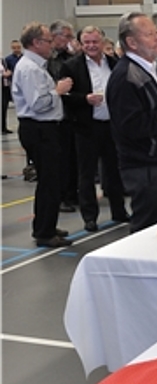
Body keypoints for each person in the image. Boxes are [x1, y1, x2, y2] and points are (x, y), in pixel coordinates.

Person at [107, 11, 157, 233]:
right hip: (144, 166)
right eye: (150, 34)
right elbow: (131, 126)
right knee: (147, 228)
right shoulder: (126, 76)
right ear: (131, 42)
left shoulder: (147, 69)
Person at [60, 26, 130, 233]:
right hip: (86, 128)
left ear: (102, 42)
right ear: (81, 44)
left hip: (111, 127)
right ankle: (90, 217)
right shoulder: (71, 66)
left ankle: (119, 211)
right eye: (87, 42)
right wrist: (85, 99)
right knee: (86, 174)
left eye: (95, 42)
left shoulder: (115, 64)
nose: (91, 46)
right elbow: (63, 97)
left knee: (114, 171)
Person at [12, 21, 74, 247]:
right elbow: (38, 104)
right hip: (38, 128)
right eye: (48, 41)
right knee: (49, 181)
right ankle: (44, 232)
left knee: (52, 179)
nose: (52, 45)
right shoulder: (29, 68)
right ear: (36, 43)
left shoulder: (36, 66)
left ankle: (46, 225)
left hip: (45, 128)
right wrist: (57, 91)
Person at [48, 20, 78, 213]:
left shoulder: (70, 57)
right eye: (66, 37)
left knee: (73, 158)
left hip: (71, 114)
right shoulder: (50, 60)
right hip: (55, 116)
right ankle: (62, 196)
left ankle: (72, 193)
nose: (69, 41)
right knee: (60, 160)